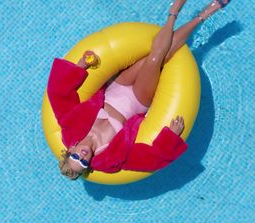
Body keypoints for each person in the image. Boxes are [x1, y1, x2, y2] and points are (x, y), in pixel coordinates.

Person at [47, 0, 230, 180]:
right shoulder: (108, 159)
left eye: (76, 157)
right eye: (84, 163)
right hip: (138, 99)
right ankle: (177, 13)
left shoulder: (70, 129)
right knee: (154, 60)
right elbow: (148, 161)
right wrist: (169, 138)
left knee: (158, 56)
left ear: (70, 150)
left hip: (116, 86)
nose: (83, 156)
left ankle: (202, 13)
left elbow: (58, 94)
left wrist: (80, 68)